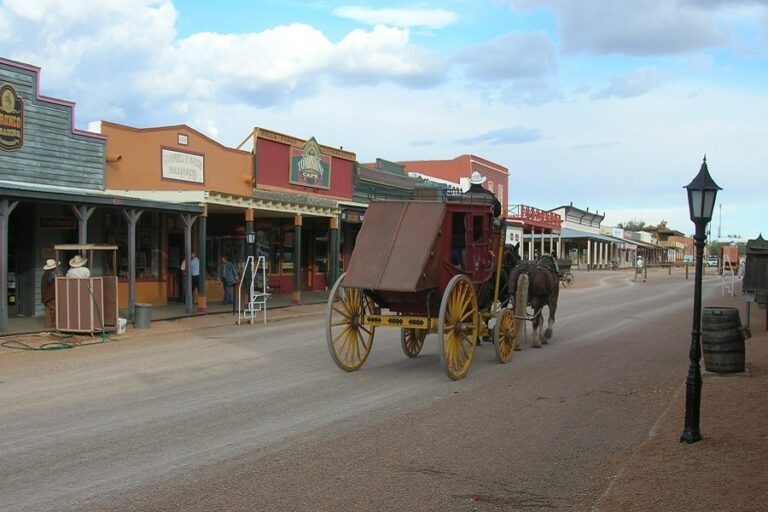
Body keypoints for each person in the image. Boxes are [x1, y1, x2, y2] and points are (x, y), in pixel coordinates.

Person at [41, 259, 59, 329]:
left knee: (48, 312)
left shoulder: (45, 274)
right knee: (54, 311)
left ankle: (48, 327)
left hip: (46, 296)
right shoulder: (52, 274)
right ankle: (53, 326)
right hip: (50, 296)